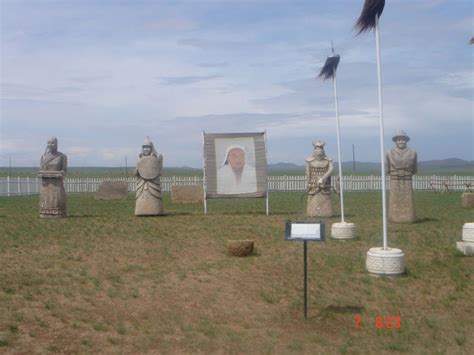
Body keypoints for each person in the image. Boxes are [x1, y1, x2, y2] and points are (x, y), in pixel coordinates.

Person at [386, 130, 417, 223]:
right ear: (395, 141)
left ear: (406, 141)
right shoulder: (389, 152)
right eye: (398, 139)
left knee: (408, 201)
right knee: (395, 201)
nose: (401, 141)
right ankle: (394, 217)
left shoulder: (413, 153)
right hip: (394, 179)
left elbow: (415, 169)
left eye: (403, 139)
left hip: (407, 180)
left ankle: (408, 217)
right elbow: (387, 168)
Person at [38, 137, 67, 218]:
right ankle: (45, 212)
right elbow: (41, 170)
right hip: (46, 184)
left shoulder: (62, 156)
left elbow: (64, 171)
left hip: (57, 185)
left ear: (57, 144)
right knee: (46, 200)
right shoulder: (43, 157)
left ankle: (58, 213)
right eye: (48, 143)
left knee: (56, 200)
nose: (50, 145)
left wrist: (59, 174)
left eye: (52, 143)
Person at [135, 137, 164, 216]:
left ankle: (155, 210)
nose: (146, 149)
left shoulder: (157, 157)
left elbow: (160, 171)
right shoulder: (139, 158)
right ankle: (141, 210)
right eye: (144, 147)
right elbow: (136, 172)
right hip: (142, 184)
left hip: (154, 183)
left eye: (148, 147)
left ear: (152, 148)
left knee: (155, 199)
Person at [305, 140, 334, 217]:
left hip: (325, 184)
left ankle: (326, 213)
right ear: (314, 149)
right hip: (313, 184)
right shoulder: (309, 161)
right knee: (313, 200)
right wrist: (309, 182)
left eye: (321, 148)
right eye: (317, 148)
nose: (319, 150)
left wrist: (324, 177)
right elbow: (308, 172)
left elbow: (331, 169)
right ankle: (312, 213)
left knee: (325, 199)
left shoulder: (328, 160)